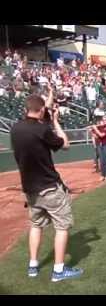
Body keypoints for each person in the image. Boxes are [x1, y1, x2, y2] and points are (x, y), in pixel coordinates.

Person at [10, 94, 83, 282]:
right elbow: (65, 144)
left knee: (36, 225)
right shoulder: (43, 129)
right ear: (42, 110)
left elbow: (37, 115)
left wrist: (46, 108)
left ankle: (33, 265)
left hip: (30, 190)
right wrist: (56, 122)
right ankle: (58, 271)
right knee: (62, 227)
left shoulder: (15, 128)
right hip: (49, 187)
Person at [90, 116, 106, 181]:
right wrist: (93, 132)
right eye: (103, 120)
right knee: (102, 161)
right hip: (99, 145)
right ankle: (102, 175)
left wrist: (96, 129)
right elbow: (92, 133)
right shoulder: (100, 126)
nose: (104, 121)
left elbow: (101, 135)